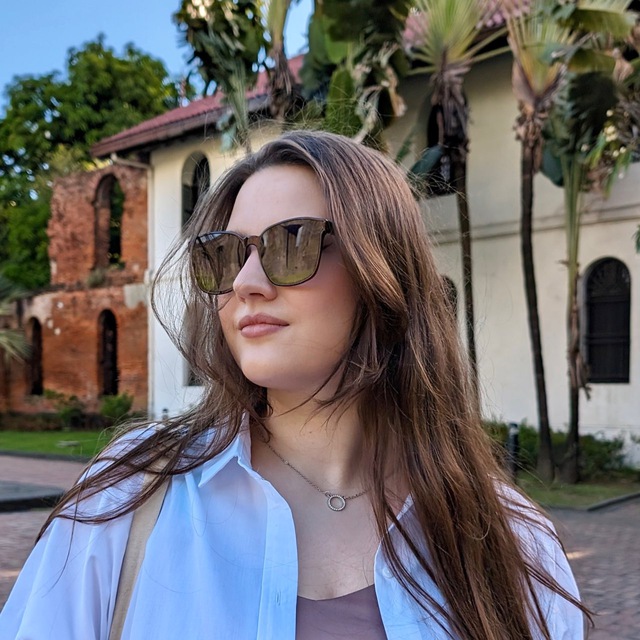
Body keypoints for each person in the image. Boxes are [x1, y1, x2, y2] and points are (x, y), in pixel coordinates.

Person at [0, 130, 586, 639]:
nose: (246, 282)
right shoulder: (125, 498)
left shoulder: (512, 543)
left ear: (381, 270)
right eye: (224, 254)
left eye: (293, 242)